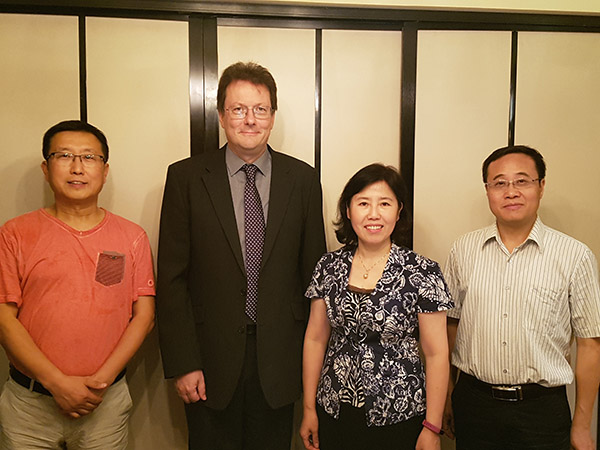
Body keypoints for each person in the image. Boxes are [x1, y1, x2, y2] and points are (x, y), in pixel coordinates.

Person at [156, 61, 326, 450]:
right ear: (221, 115)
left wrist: (311, 366)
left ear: (272, 116)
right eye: (238, 109)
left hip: (280, 360)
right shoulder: (186, 178)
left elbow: (313, 276)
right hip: (207, 360)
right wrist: (184, 363)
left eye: (260, 109)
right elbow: (172, 279)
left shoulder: (302, 180)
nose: (250, 120)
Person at [0, 120, 156, 449]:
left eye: (89, 157)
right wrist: (57, 383)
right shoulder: (14, 234)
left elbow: (144, 316)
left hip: (105, 402)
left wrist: (101, 381)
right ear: (46, 168)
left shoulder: (132, 237)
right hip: (30, 407)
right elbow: (4, 319)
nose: (77, 168)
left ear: (105, 170)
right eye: (64, 156)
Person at [444, 145, 600, 450]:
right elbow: (450, 325)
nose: (511, 192)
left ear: (541, 186)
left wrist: (582, 425)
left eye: (522, 181)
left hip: (542, 411)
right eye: (499, 183)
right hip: (474, 404)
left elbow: (590, 344)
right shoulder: (463, 250)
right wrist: (447, 394)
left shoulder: (575, 255)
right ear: (487, 190)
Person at [300, 163, 453, 450]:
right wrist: (309, 408)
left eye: (384, 203)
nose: (373, 214)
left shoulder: (422, 271)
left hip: (399, 411)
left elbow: (436, 354)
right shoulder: (328, 266)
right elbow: (316, 338)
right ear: (348, 210)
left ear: (399, 211)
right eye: (363, 203)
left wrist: (432, 427)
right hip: (334, 408)